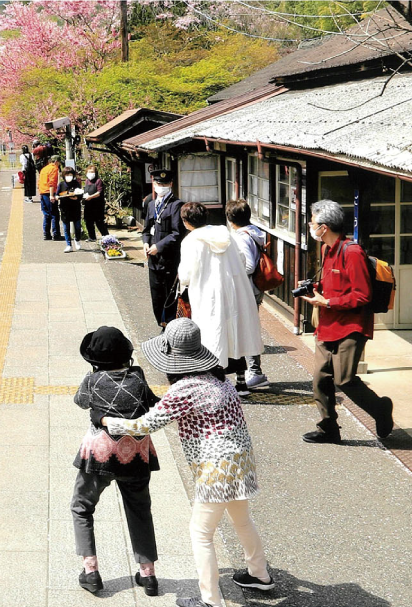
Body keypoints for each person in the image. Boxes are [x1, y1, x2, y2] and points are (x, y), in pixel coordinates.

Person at [98, 318, 274, 607]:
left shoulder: (186, 389)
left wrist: (107, 421)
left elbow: (146, 424)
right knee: (242, 519)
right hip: (240, 462)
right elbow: (167, 409)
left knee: (201, 533)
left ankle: (211, 601)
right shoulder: (218, 379)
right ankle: (259, 574)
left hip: (216, 469)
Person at [72, 326, 161, 596]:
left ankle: (91, 572)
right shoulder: (137, 375)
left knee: (82, 507)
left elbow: (80, 401)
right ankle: (148, 575)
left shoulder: (93, 380)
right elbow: (150, 402)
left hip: (100, 455)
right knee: (139, 510)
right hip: (136, 454)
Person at [299, 199, 394, 444]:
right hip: (328, 323)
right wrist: (315, 289)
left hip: (352, 325)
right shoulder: (326, 249)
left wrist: (328, 303)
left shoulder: (352, 252)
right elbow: (333, 284)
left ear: (325, 227)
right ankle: (328, 428)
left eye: (313, 223)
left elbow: (362, 295)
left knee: (344, 379)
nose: (310, 227)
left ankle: (380, 409)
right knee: (320, 378)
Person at [177, 202, 263, 397]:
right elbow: (241, 259)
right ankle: (241, 383)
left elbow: (186, 275)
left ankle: (218, 383)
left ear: (186, 222)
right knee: (237, 334)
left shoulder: (191, 241)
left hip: (208, 294)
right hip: (235, 290)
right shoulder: (226, 235)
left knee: (213, 336)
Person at [226, 199, 271, 390]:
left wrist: (233, 274)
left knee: (245, 330)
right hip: (255, 289)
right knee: (248, 329)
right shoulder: (254, 232)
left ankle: (255, 373)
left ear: (230, 219)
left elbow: (249, 265)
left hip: (247, 290)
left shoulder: (240, 237)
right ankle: (254, 372)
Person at [142, 167, 186, 328]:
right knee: (156, 296)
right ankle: (160, 324)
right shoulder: (151, 204)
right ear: (153, 183)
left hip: (169, 259)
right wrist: (146, 242)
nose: (161, 186)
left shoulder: (176, 205)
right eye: (158, 183)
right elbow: (146, 229)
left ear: (171, 184)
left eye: (165, 183)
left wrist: (158, 246)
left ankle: (171, 326)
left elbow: (176, 233)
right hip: (153, 259)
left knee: (169, 295)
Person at [56, 166, 84, 252]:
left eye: (70, 174)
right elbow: (57, 195)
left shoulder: (76, 183)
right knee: (66, 227)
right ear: (64, 175)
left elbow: (80, 195)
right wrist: (57, 197)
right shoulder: (61, 184)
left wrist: (76, 198)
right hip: (65, 209)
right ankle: (68, 245)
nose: (69, 176)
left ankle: (77, 240)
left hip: (75, 208)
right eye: (67, 174)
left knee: (77, 226)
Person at [82, 166, 109, 241]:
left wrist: (90, 197)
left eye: (92, 172)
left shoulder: (98, 181)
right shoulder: (87, 181)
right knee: (88, 221)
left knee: (99, 221)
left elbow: (99, 192)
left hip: (97, 205)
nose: (90, 174)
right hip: (88, 204)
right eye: (89, 172)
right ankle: (92, 237)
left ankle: (106, 237)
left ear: (95, 173)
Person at [38, 155, 62, 241]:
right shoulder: (54, 168)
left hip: (43, 193)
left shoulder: (44, 169)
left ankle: (46, 234)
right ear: (56, 161)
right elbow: (52, 183)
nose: (59, 165)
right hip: (49, 193)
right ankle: (56, 235)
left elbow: (39, 182)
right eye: (59, 163)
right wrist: (52, 195)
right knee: (54, 214)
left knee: (46, 215)